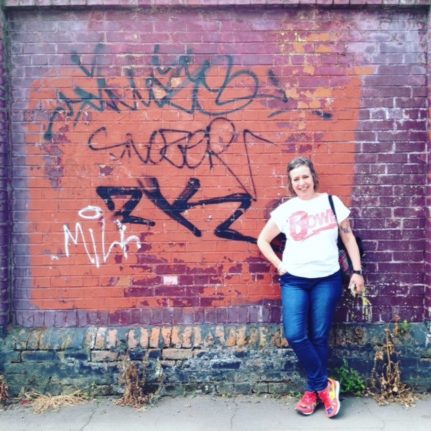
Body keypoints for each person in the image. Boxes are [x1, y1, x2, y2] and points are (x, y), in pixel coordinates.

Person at [257, 156, 364, 418]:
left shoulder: (331, 202)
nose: (301, 182)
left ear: (313, 177)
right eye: (296, 179)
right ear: (291, 183)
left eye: (305, 177)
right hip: (295, 280)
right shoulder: (285, 210)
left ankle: (311, 391)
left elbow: (348, 239)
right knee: (295, 334)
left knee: (318, 336)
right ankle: (324, 385)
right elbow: (262, 240)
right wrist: (279, 265)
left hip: (327, 279)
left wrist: (357, 272)